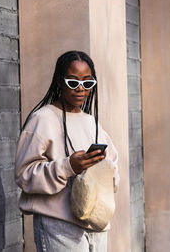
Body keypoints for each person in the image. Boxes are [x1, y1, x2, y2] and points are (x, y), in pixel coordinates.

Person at [15, 51, 119, 252]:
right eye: (73, 82)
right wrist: (68, 166)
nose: (80, 89)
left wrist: (102, 166)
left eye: (87, 83)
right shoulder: (43, 119)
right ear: (59, 81)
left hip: (96, 225)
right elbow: (24, 175)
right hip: (59, 227)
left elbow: (114, 173)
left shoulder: (92, 122)